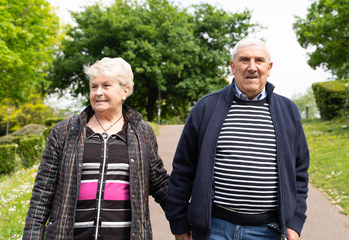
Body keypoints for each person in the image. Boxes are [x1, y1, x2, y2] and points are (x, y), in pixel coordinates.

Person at [165, 38, 310, 240]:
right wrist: (179, 224)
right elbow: (183, 169)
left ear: (269, 68)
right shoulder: (206, 107)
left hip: (268, 231)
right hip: (213, 230)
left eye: (259, 60)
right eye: (244, 60)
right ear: (233, 67)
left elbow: (299, 172)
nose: (252, 67)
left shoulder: (288, 111)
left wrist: (295, 222)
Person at [23, 57, 169, 239]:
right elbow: (42, 193)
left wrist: (185, 222)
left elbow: (160, 184)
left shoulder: (142, 132)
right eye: (94, 86)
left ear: (126, 90)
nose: (98, 92)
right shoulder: (64, 131)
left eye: (106, 86)